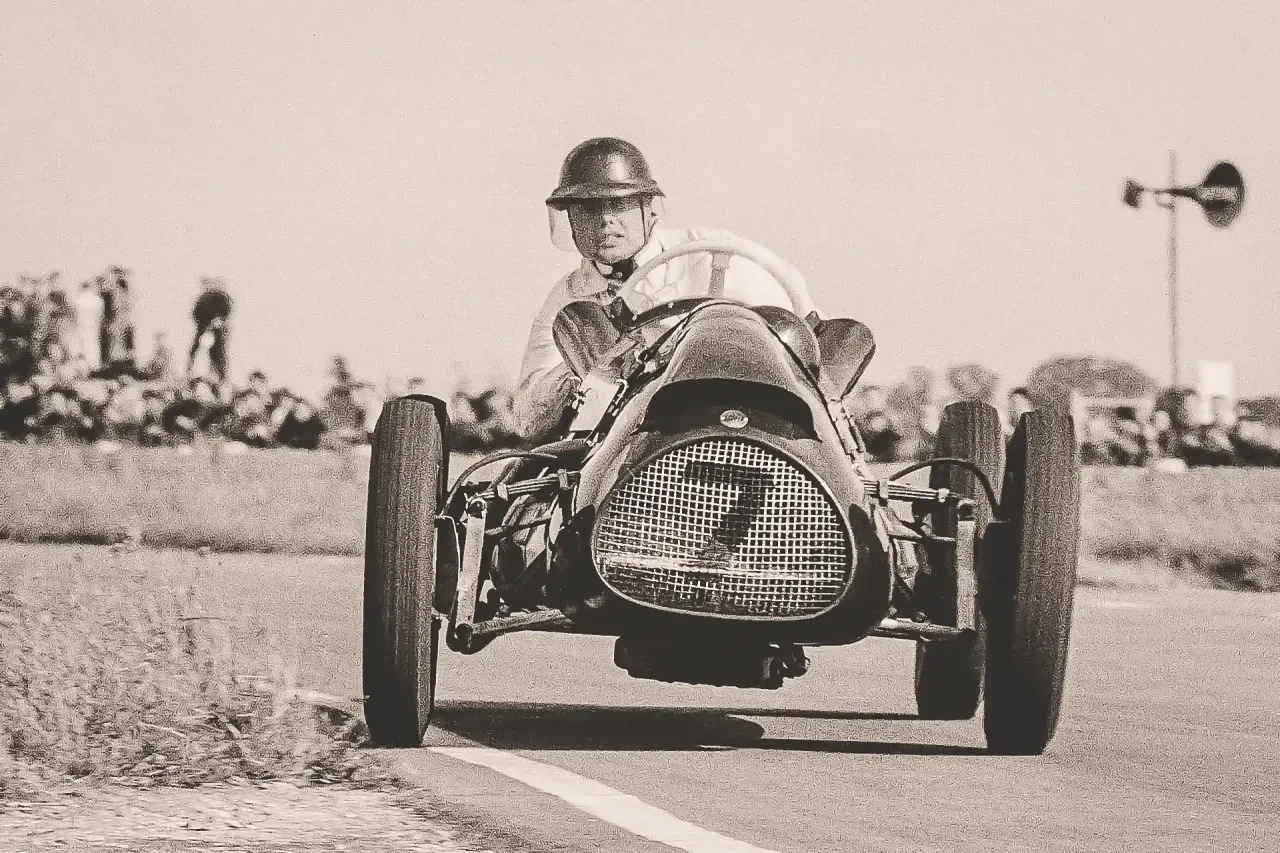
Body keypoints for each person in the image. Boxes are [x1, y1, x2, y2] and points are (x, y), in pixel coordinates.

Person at [513, 137, 821, 440]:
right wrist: (589, 365)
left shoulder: (714, 256)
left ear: (649, 209)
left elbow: (805, 342)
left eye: (619, 204)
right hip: (635, 443)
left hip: (742, 429)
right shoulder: (568, 296)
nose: (606, 220)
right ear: (570, 219)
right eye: (588, 209)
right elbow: (528, 420)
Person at [188, 277, 232, 382]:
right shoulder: (202, 300)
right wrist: (206, 323)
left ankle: (220, 374)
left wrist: (219, 320)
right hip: (204, 327)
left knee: (218, 351)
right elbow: (197, 314)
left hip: (217, 330)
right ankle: (193, 372)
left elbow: (225, 311)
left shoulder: (221, 298)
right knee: (198, 348)